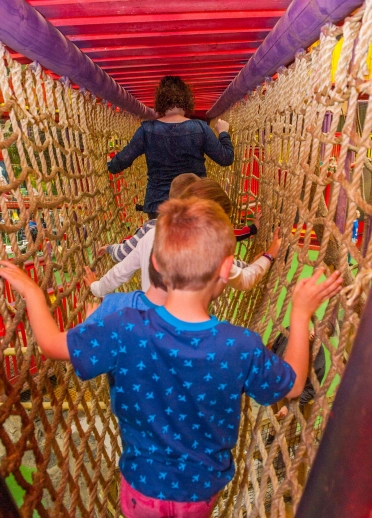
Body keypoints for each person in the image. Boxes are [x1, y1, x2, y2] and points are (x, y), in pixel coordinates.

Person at [0, 198, 342, 518]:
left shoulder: (123, 326)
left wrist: (32, 292)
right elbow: (295, 384)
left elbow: (50, 344)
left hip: (140, 490)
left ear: (157, 264)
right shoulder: (240, 345)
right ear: (226, 269)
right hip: (200, 494)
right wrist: (300, 316)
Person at [85, 178, 279, 296]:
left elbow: (121, 271)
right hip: (189, 334)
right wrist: (267, 257)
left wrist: (96, 287)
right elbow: (242, 278)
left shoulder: (153, 232)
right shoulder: (207, 251)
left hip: (151, 327)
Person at [107, 76, 234, 218]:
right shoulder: (200, 128)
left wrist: (106, 163)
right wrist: (223, 133)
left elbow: (119, 162)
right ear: (187, 100)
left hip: (159, 206)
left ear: (160, 101)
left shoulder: (147, 130)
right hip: (194, 203)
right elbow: (226, 158)